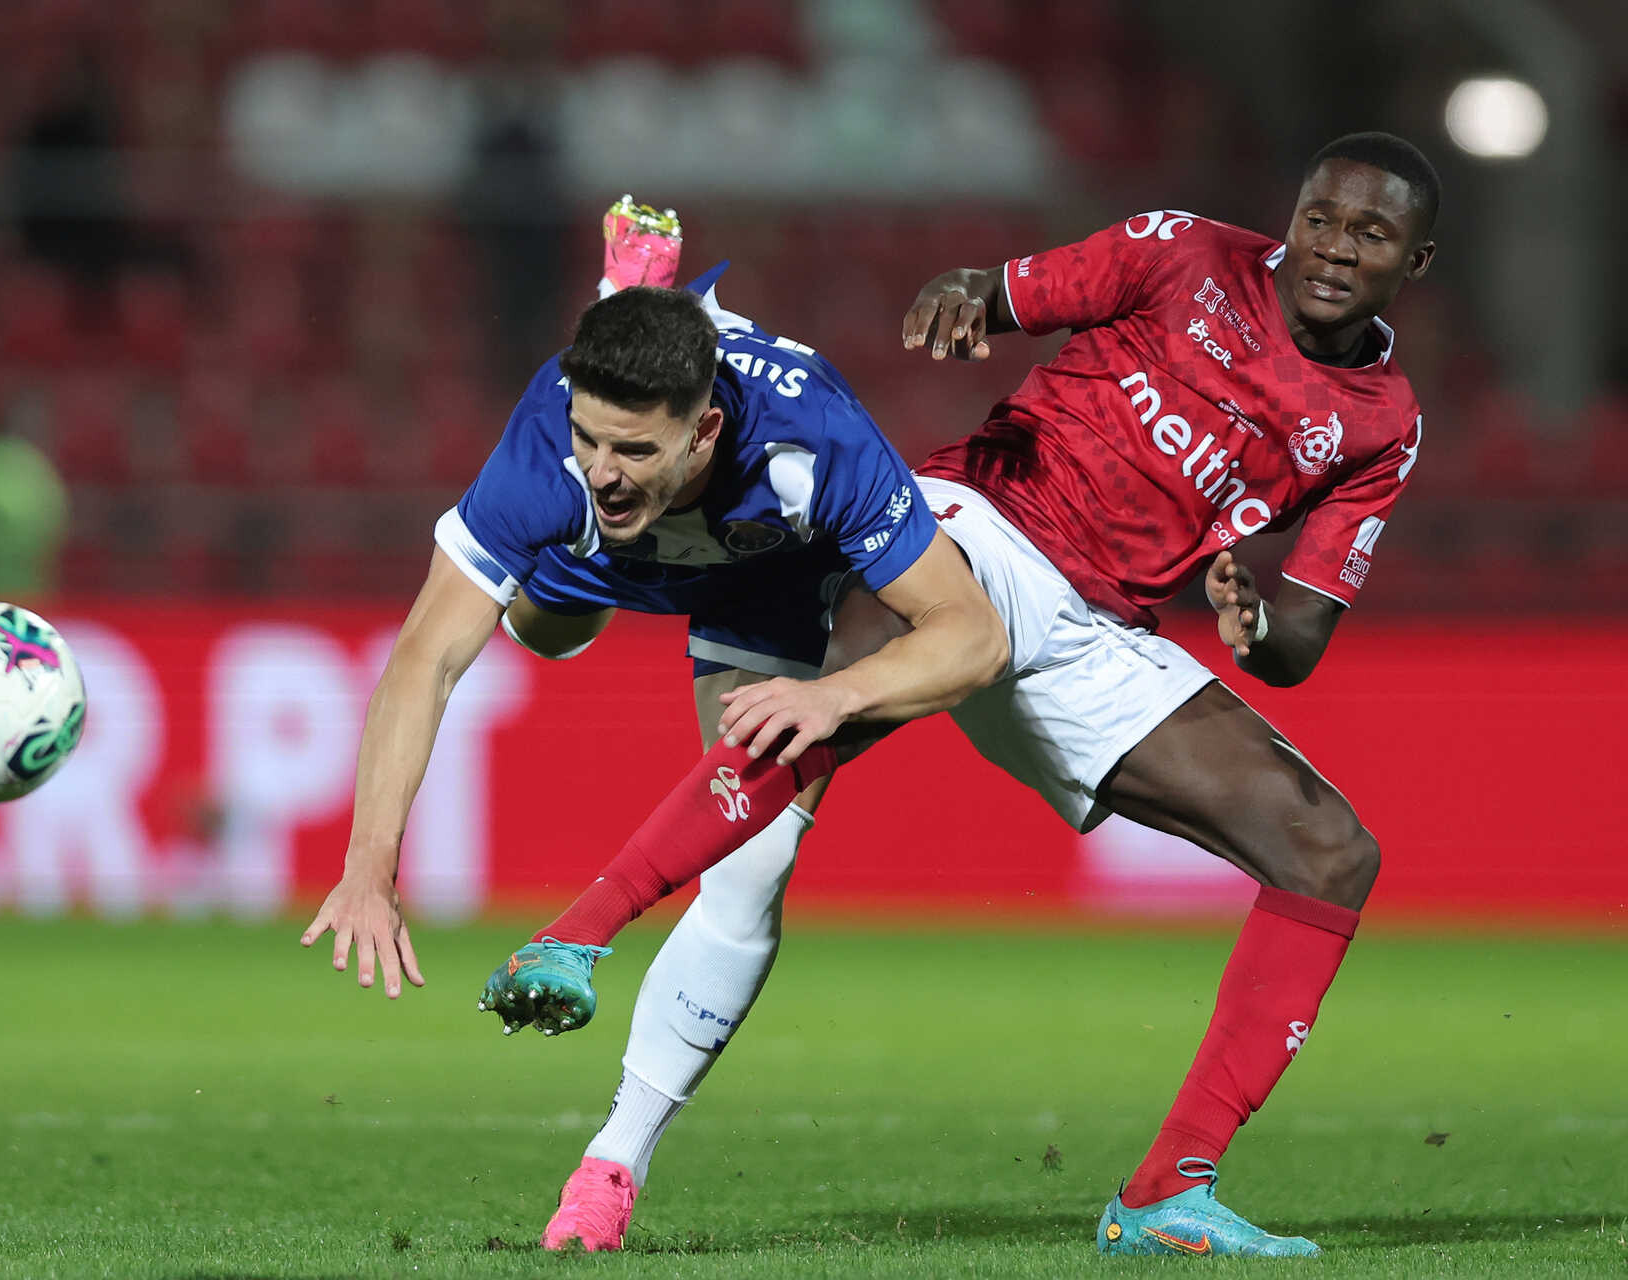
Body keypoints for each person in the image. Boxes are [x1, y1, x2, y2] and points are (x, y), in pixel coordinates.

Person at [485, 132, 1438, 1259]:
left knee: (1331, 851)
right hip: (972, 534)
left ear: (1413, 263)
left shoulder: (1383, 422)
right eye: (1319, 217)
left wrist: (1253, 625)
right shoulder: (1183, 253)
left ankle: (1165, 1191)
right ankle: (580, 945)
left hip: (1099, 632)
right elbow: (1007, 291)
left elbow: (1301, 641)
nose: (1331, 248)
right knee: (793, 766)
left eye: (1369, 235)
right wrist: (963, 296)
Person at [297, 193, 1008, 1177]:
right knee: (544, 632)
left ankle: (615, 1161)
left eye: (633, 444)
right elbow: (428, 654)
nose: (602, 467)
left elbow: (968, 628)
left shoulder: (814, 435)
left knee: (751, 865)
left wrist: (838, 695)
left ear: (708, 429)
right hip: (608, 562)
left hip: (759, 582)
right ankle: (631, 298)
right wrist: (369, 863)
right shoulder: (557, 451)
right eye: (591, 439)